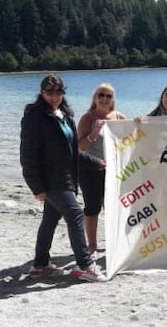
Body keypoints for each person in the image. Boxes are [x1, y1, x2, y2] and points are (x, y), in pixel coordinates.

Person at [19, 74, 106, 283]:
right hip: (51, 180)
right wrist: (36, 186)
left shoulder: (65, 116)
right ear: (42, 93)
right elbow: (27, 155)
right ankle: (85, 265)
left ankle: (40, 265)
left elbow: (72, 153)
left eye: (58, 92)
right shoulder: (34, 116)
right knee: (76, 214)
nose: (54, 96)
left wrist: (96, 163)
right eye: (50, 92)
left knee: (50, 220)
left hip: (66, 178)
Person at [77, 83, 126, 259]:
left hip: (114, 171)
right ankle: (92, 246)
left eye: (108, 96)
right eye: (101, 95)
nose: (105, 99)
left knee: (114, 207)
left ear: (113, 99)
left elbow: (131, 140)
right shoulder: (87, 118)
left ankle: (115, 242)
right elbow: (79, 147)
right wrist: (94, 133)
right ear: (95, 98)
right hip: (90, 169)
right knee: (92, 207)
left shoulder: (119, 117)